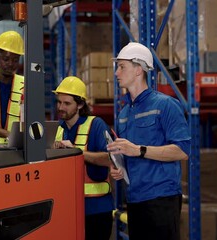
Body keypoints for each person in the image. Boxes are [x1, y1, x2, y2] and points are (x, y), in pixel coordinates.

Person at [107, 42, 191, 240]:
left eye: (122, 67)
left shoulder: (166, 105)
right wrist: (119, 168)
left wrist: (138, 150)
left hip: (161, 198)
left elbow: (182, 151)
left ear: (138, 70)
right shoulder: (124, 114)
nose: (117, 73)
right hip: (135, 199)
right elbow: (128, 155)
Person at [52, 76, 114, 240]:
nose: (61, 107)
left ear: (80, 104)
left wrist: (76, 152)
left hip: (97, 210)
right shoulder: (59, 130)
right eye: (59, 102)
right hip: (69, 208)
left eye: (67, 103)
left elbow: (111, 159)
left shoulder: (96, 125)